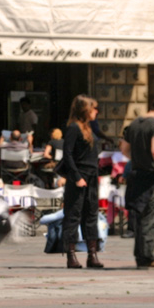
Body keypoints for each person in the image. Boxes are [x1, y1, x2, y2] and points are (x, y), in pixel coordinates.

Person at [121, 97, 154, 270]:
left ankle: (140, 256)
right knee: (151, 219)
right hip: (152, 178)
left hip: (136, 176)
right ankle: (148, 258)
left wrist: (137, 160)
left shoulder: (134, 124)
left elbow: (123, 149)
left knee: (139, 218)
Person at [59, 95, 103, 270]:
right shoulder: (73, 128)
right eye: (93, 108)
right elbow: (67, 154)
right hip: (79, 176)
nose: (96, 112)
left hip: (92, 176)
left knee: (91, 215)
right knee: (73, 215)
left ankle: (92, 255)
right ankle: (71, 255)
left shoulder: (90, 128)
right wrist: (77, 177)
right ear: (85, 110)